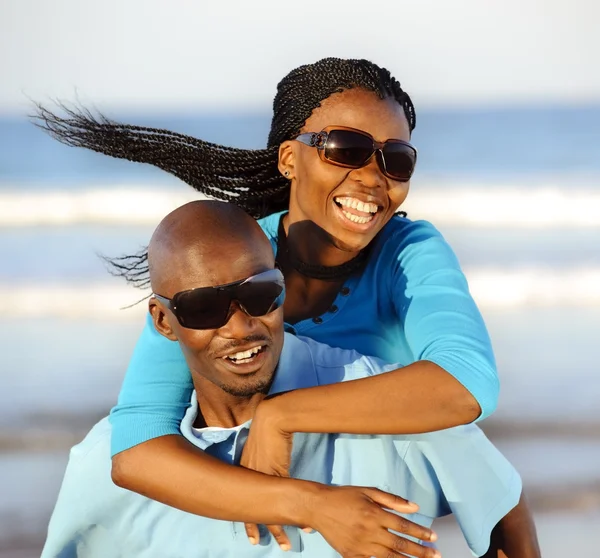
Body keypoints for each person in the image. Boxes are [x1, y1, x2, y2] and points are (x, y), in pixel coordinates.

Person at [35, 57, 537, 550]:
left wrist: (283, 415)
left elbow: (468, 387)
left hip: (408, 457)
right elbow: (138, 448)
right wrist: (306, 503)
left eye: (396, 158)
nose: (372, 177)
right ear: (290, 159)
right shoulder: (232, 264)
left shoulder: (407, 254)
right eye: (345, 149)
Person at [42, 201, 534, 558]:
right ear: (164, 322)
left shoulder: (392, 409)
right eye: (203, 308)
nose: (240, 327)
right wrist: (315, 506)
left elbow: (504, 512)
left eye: (259, 294)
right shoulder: (103, 464)